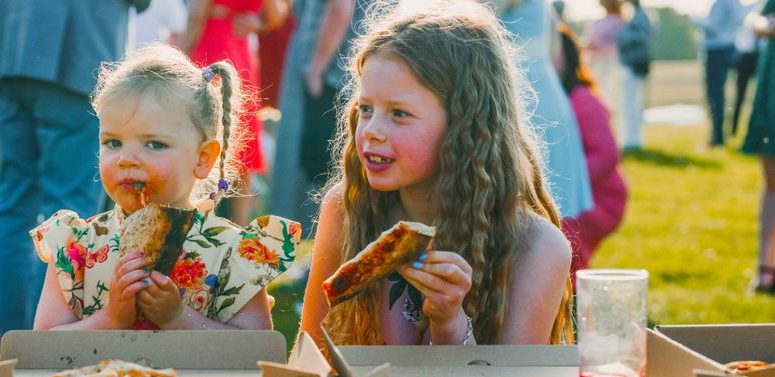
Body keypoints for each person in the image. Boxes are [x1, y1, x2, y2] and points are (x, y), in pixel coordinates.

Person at [299, 0, 573, 346]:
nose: (371, 130)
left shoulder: (537, 248)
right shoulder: (346, 209)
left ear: (465, 126)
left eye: (399, 113)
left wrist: (449, 323)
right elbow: (310, 359)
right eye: (366, 108)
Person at [31, 44, 302, 331]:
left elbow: (257, 352)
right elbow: (43, 345)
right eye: (113, 142)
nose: (125, 159)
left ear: (202, 158)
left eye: (154, 144)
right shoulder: (77, 247)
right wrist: (110, 319)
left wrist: (179, 319)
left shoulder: (231, 252)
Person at [0, 0, 149, 334]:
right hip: (76, 52)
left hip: (13, 45)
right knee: (70, 210)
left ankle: (6, 339)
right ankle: (49, 340)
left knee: (13, 205)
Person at [183, 0, 287, 225]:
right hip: (239, 54)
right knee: (242, 143)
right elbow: (278, 12)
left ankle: (194, 221)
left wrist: (180, 58)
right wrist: (258, 23)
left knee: (199, 134)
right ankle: (239, 228)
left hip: (210, 48)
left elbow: (196, 16)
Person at [493, 0, 592, 220]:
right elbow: (555, 47)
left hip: (524, 95)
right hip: (544, 89)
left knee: (524, 206)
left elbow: (472, 25)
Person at [269, 0, 361, 232]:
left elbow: (339, 8)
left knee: (310, 156)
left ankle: (301, 234)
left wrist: (316, 67)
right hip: (344, 63)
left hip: (328, 64)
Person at [557, 24, 627, 277]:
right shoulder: (559, 100)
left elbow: (607, 154)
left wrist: (564, 181)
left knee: (565, 232)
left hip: (599, 196)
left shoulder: (582, 99)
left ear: (569, 56)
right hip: (579, 192)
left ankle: (571, 289)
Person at [740, 0, 775, 295]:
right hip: (772, 92)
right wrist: (766, 25)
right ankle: (767, 269)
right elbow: (756, 19)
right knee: (772, 184)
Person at [695, 0, 746, 147]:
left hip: (717, 50)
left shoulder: (722, 2)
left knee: (715, 94)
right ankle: (722, 133)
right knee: (720, 93)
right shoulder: (736, 3)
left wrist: (696, 21)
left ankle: (718, 136)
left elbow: (713, 27)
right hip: (730, 47)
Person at [615, 0, 651, 150]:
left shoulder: (639, 17)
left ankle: (633, 139)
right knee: (630, 102)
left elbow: (641, 37)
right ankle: (632, 137)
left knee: (632, 103)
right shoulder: (638, 16)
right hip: (633, 64)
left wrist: (622, 37)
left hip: (635, 64)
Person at [584, 0, 623, 136]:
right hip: (595, 64)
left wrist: (596, 45)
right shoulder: (599, 22)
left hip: (609, 65)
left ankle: (613, 134)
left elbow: (616, 45)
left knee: (610, 97)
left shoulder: (618, 22)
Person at [734, 4, 765, 138]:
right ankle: (733, 130)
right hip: (746, 57)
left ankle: (760, 131)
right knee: (740, 94)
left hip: (762, 57)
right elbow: (753, 26)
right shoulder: (751, 12)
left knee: (761, 95)